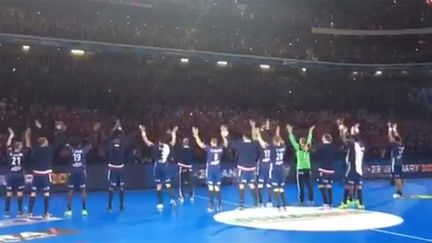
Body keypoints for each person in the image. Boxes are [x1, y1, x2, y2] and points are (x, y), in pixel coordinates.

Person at [28, 120, 63, 218]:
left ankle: (30, 212)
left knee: (33, 193)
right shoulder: (49, 149)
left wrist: (38, 129)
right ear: (44, 143)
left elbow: (34, 141)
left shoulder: (35, 149)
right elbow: (58, 143)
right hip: (46, 174)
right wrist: (59, 131)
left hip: (36, 174)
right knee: (46, 193)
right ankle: (45, 213)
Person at [221, 123, 259, 209]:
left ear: (244, 137)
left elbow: (229, 143)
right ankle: (256, 203)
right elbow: (255, 137)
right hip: (252, 168)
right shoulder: (254, 144)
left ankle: (241, 204)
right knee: (252, 185)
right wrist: (253, 127)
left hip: (243, 168)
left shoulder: (240, 144)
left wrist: (225, 135)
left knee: (242, 185)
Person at [140, 124, 178, 210]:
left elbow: (146, 141)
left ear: (159, 142)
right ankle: (172, 200)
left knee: (159, 185)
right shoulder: (168, 146)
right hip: (165, 166)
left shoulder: (156, 147)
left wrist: (143, 132)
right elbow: (174, 141)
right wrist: (173, 133)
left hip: (158, 167)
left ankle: (160, 203)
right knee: (168, 184)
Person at [254, 123, 288, 209]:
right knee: (280, 188)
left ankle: (276, 205)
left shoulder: (271, 147)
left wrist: (258, 133)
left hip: (272, 169)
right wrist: (277, 133)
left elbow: (261, 142)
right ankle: (283, 205)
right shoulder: (284, 146)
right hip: (281, 169)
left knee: (273, 187)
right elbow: (280, 141)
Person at [192, 126, 224, 212]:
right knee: (217, 188)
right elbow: (225, 143)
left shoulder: (209, 149)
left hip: (210, 171)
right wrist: (223, 134)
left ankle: (211, 205)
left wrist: (196, 135)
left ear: (211, 142)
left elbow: (200, 144)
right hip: (217, 170)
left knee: (211, 188)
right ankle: (220, 205)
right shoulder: (220, 149)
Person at [64, 131, 95, 217]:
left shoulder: (72, 150)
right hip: (81, 172)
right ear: (80, 145)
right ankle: (84, 210)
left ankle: (69, 210)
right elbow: (90, 145)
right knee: (83, 190)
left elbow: (66, 145)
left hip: (73, 172)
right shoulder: (83, 150)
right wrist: (93, 133)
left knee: (70, 191)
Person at [337, 120, 366, 210]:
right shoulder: (361, 145)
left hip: (352, 168)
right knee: (358, 186)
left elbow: (343, 139)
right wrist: (354, 130)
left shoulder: (353, 144)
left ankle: (345, 203)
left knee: (348, 185)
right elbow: (351, 138)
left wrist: (341, 128)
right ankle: (361, 204)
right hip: (359, 169)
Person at [287, 124, 315, 205]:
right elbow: (310, 139)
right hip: (308, 169)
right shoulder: (308, 147)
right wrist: (310, 131)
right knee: (309, 185)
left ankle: (301, 200)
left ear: (300, 142)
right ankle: (311, 200)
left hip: (300, 169)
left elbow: (292, 140)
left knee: (301, 186)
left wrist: (290, 131)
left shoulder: (298, 148)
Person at [4, 128, 30, 217]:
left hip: (11, 176)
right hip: (19, 176)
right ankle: (20, 211)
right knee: (20, 194)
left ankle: (7, 212)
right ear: (20, 147)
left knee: (8, 194)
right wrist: (27, 136)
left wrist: (11, 136)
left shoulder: (10, 152)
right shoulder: (23, 153)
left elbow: (7, 145)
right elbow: (28, 147)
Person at [106, 120, 128, 212]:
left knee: (112, 187)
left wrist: (115, 128)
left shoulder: (110, 147)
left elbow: (109, 137)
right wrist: (120, 129)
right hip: (119, 169)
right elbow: (123, 138)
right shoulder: (122, 146)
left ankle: (111, 205)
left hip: (114, 169)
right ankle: (120, 206)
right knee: (120, 187)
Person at [251, 120, 273, 207]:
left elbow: (258, 140)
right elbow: (262, 140)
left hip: (262, 167)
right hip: (269, 167)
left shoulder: (261, 148)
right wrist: (267, 127)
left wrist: (256, 131)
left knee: (260, 185)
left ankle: (260, 202)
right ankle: (270, 201)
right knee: (268, 184)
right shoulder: (271, 147)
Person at [315, 133, 338, 208]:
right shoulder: (334, 148)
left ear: (324, 139)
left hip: (323, 169)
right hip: (331, 169)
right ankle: (330, 203)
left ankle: (325, 203)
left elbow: (316, 157)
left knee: (321, 185)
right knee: (329, 185)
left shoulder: (321, 148)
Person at [388, 122, 405, 199]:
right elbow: (398, 137)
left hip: (395, 163)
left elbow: (390, 137)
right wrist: (395, 129)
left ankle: (399, 192)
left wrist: (390, 128)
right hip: (400, 163)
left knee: (397, 178)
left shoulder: (395, 145)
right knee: (400, 177)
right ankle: (400, 191)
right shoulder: (401, 145)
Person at [176, 137, 195, 203]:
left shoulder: (181, 150)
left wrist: (180, 164)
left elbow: (179, 162)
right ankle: (191, 196)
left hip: (183, 169)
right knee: (190, 183)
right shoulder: (191, 150)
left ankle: (181, 197)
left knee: (181, 184)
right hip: (189, 169)